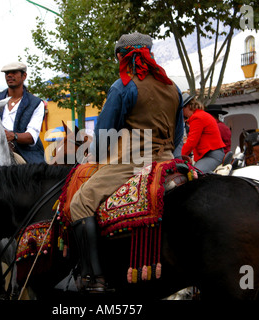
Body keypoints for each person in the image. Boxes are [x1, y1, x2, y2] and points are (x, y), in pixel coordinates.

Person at [69, 32, 184, 293]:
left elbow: (105, 135)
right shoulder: (172, 87)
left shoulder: (123, 86)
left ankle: (93, 278)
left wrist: (93, 156)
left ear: (123, 57)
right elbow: (178, 135)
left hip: (132, 161)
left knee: (80, 203)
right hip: (167, 160)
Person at [0, 61, 46, 164]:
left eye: (14, 72)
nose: (9, 75)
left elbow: (32, 136)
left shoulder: (36, 103)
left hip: (24, 153)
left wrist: (13, 136)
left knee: (39, 176)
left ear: (24, 76)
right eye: (7, 73)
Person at [182, 98, 225, 173]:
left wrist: (178, 157)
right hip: (211, 154)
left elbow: (191, 142)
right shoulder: (201, 114)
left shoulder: (197, 117)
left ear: (188, 106)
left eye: (181, 109)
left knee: (193, 175)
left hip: (211, 156)